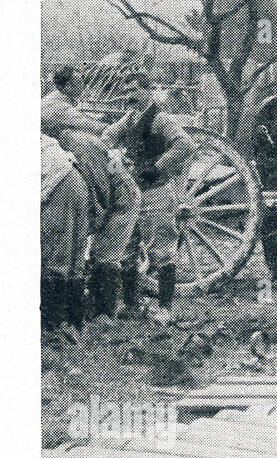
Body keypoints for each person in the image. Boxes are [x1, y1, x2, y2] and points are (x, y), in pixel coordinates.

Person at [102, 75, 196, 322]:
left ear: (149, 91)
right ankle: (131, 305)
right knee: (127, 248)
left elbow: (186, 145)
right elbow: (108, 136)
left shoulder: (162, 120)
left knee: (162, 250)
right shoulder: (131, 117)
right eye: (127, 91)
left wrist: (157, 166)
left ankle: (165, 309)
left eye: (134, 91)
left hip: (157, 193)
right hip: (132, 193)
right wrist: (113, 155)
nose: (129, 96)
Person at [55, 129, 141, 322]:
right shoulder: (70, 140)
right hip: (114, 184)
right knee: (98, 253)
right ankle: (96, 307)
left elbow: (99, 192)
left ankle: (105, 314)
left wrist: (88, 227)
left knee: (105, 255)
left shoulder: (79, 147)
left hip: (123, 198)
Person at [41, 135, 90, 338]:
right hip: (76, 181)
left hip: (58, 187)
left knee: (54, 258)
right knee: (74, 259)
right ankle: (75, 321)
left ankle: (52, 327)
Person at [41, 65, 106, 141]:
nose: (83, 85)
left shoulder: (57, 96)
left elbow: (77, 116)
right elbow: (90, 125)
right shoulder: (60, 106)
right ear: (68, 87)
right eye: (79, 82)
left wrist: (98, 117)